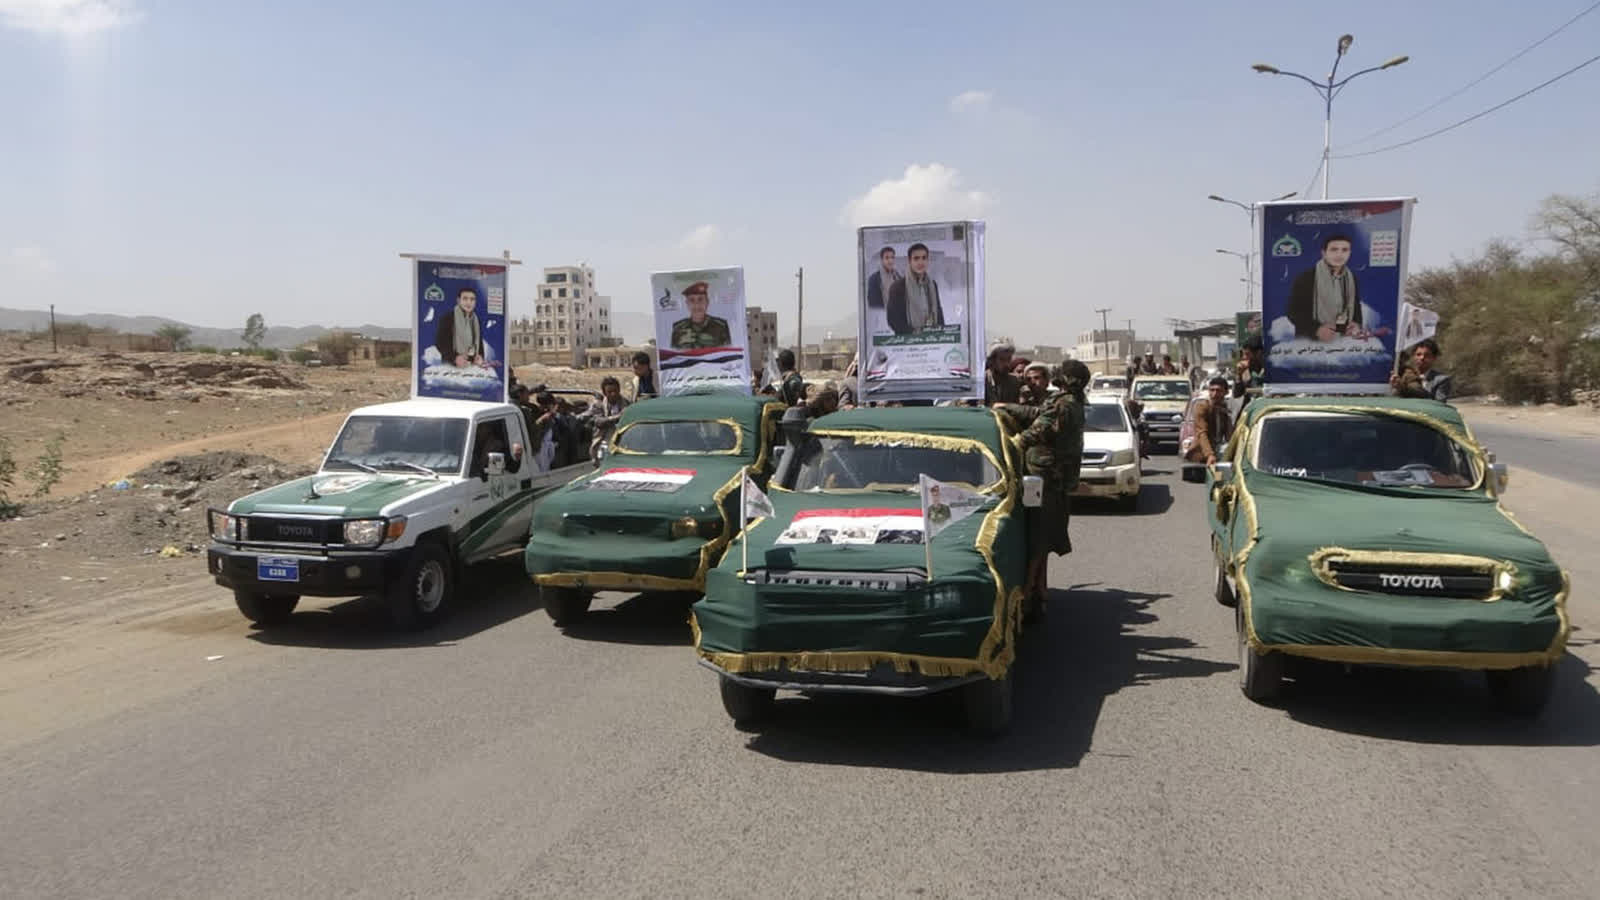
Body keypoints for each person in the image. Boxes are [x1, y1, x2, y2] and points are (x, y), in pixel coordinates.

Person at [996, 360, 1087, 621]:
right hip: (1052, 477)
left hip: (1042, 477)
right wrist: (1008, 407)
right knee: (1041, 532)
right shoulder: (1071, 401)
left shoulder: (1062, 403)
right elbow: (1037, 413)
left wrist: (1010, 445)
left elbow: (1038, 429)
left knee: (1037, 533)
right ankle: (1037, 588)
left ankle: (1029, 593)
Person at [1288, 233, 1364, 341]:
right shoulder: (1307, 278)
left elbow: (1356, 307)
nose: (1339, 255)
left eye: (1344, 250)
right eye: (1334, 250)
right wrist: (1317, 329)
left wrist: (1356, 324)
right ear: (1324, 253)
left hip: (1343, 341)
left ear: (1349, 253)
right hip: (1310, 342)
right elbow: (1293, 313)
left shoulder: (1351, 279)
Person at [886, 243, 945, 334]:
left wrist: (942, 333)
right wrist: (915, 334)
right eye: (916, 258)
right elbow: (893, 320)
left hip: (932, 338)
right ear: (910, 261)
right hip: (908, 340)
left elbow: (938, 312)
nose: (920, 262)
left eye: (924, 258)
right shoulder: (898, 287)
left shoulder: (932, 285)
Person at [434, 287, 488, 367]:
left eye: (472, 299)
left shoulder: (476, 321)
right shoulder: (448, 318)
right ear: (458, 300)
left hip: (472, 366)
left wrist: (480, 356)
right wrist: (455, 358)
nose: (469, 302)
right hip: (451, 366)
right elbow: (440, 343)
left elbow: (479, 343)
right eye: (465, 299)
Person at [1185, 377, 1234, 465]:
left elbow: (1229, 436)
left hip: (1218, 452)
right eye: (1212, 390)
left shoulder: (1224, 409)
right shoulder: (1202, 406)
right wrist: (1209, 455)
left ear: (1226, 392)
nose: (1215, 394)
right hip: (1201, 454)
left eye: (1219, 391)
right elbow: (1202, 432)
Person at [669, 281, 732, 348]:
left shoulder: (721, 326)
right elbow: (673, 353)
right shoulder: (677, 328)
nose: (697, 305)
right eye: (692, 300)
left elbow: (728, 351)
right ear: (687, 303)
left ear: (707, 302)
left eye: (700, 299)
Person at [984, 341, 1020, 406]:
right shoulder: (981, 381)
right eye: (1002, 360)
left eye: (1009, 359)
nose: (1006, 364)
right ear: (992, 361)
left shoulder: (1014, 382)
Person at [865, 246, 900, 312]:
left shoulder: (897, 276)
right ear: (882, 260)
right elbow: (873, 304)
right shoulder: (874, 279)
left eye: (892, 257)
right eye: (887, 258)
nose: (890, 261)